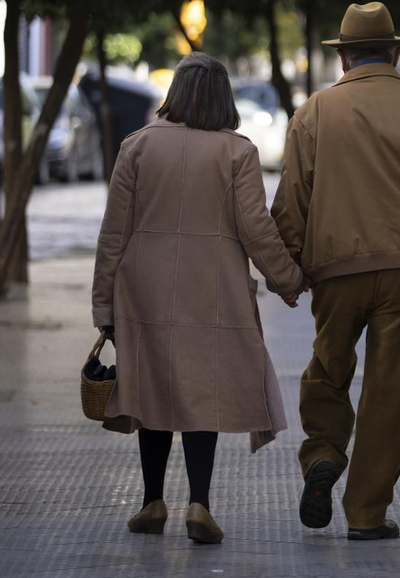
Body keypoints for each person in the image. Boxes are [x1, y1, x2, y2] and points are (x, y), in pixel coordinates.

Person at [272, 2, 400, 541]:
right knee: (391, 390)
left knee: (328, 368)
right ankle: (366, 513)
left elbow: (291, 198)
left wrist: (292, 265)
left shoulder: (314, 112)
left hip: (336, 270)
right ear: (394, 52)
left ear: (343, 59)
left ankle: (322, 449)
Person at [91, 52, 305, 546]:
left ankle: (151, 501)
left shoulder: (137, 147)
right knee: (201, 394)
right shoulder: (237, 153)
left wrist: (104, 308)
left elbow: (113, 235)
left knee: (152, 391)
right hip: (212, 293)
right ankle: (201, 504)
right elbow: (257, 229)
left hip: (143, 291)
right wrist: (288, 279)